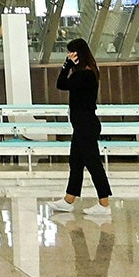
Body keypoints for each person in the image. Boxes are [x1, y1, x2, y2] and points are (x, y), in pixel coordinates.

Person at [49, 38, 111, 220]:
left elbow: (60, 84)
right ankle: (69, 199)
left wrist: (67, 65)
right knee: (75, 163)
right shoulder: (89, 72)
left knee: (93, 163)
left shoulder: (84, 74)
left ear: (79, 54)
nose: (69, 56)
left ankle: (104, 203)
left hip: (85, 124)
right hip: (82, 125)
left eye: (72, 53)